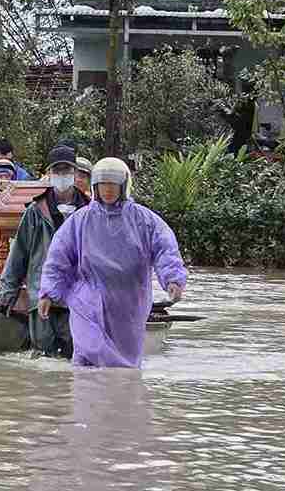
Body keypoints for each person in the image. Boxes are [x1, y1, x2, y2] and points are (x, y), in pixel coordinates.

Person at [37, 157, 188, 368]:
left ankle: (122, 398)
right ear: (95, 187)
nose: (107, 190)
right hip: (87, 298)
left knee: (125, 366)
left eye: (113, 185)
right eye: (103, 185)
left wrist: (173, 279)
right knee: (87, 354)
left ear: (124, 186)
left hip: (128, 302)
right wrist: (48, 293)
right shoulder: (79, 221)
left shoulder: (145, 220)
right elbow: (58, 258)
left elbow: (166, 250)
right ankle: (85, 399)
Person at [0, 145, 89, 358]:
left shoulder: (90, 211)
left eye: (67, 170)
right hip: (40, 295)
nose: (62, 176)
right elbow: (19, 253)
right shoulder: (35, 212)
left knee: (74, 355)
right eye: (57, 171)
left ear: (76, 174)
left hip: (77, 298)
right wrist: (7, 294)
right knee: (43, 355)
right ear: (48, 174)